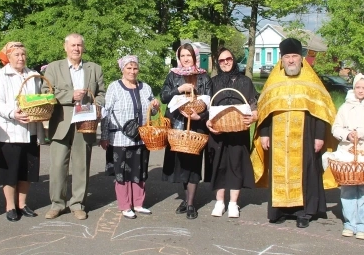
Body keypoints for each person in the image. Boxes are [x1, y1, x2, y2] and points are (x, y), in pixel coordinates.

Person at [251, 38, 337, 228]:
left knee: (306, 172)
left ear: (301, 59)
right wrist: (264, 133)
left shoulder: (311, 81)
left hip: (305, 136)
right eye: (287, 57)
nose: (291, 60)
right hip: (277, 137)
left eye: (294, 56)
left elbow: (321, 111)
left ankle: (303, 212)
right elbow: (265, 110)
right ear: (281, 59)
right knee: (279, 171)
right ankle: (280, 210)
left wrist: (320, 136)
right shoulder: (274, 81)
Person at [43, 33, 106, 220]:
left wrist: (97, 105)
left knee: (81, 166)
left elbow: (102, 94)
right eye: (73, 45)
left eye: (79, 45)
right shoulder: (54, 68)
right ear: (65, 47)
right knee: (57, 166)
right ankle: (57, 204)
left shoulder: (94, 68)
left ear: (83, 48)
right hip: (61, 122)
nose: (76, 48)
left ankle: (77, 204)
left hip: (85, 124)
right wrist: (70, 96)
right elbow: (46, 93)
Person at [0, 41, 44, 222]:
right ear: (9, 57)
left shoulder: (33, 75)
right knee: (10, 171)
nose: (21, 58)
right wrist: (13, 113)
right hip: (9, 131)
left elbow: (40, 98)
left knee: (27, 170)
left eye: (23, 55)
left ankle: (23, 203)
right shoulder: (1, 75)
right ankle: (10, 206)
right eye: (16, 55)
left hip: (31, 129)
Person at [100, 55, 160, 219]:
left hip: (141, 137)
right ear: (122, 69)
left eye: (135, 68)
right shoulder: (114, 87)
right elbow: (106, 112)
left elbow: (152, 112)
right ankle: (125, 205)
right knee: (122, 172)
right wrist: (104, 136)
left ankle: (139, 203)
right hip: (119, 138)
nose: (132, 71)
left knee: (139, 170)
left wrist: (155, 106)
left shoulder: (145, 87)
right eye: (129, 68)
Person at [205, 48, 258, 218]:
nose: (225, 62)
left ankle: (233, 203)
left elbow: (254, 105)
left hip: (238, 130)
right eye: (221, 60)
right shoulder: (212, 82)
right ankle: (220, 202)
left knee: (236, 165)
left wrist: (253, 117)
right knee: (218, 165)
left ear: (233, 60)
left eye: (228, 59)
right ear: (218, 63)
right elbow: (206, 107)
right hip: (217, 131)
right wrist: (207, 121)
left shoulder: (245, 82)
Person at [330, 73, 364, 239]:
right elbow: (336, 128)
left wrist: (361, 132)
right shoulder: (345, 107)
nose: (360, 90)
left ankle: (363, 224)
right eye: (358, 87)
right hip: (348, 152)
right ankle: (349, 222)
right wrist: (347, 135)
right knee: (347, 188)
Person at [161, 43, 212, 220]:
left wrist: (201, 116)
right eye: (182, 56)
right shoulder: (173, 75)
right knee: (181, 165)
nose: (185, 59)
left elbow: (210, 103)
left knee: (193, 165)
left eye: (188, 55)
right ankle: (186, 199)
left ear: (195, 57)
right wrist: (179, 89)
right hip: (177, 127)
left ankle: (191, 203)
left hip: (197, 127)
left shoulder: (204, 78)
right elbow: (164, 96)